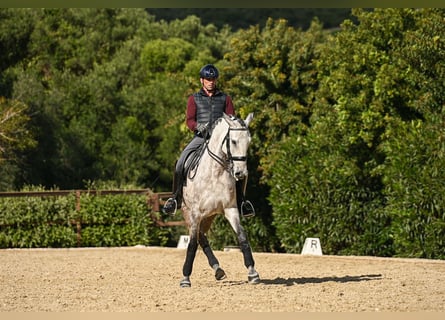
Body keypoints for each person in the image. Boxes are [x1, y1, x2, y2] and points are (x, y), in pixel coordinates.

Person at [162, 64, 255, 218]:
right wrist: (198, 127)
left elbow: (232, 119)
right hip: (201, 137)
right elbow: (189, 120)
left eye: (213, 79)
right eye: (208, 79)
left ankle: (242, 202)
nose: (211, 82)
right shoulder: (194, 98)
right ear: (202, 81)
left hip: (221, 141)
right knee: (180, 162)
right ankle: (175, 199)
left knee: (241, 169)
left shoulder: (225, 98)